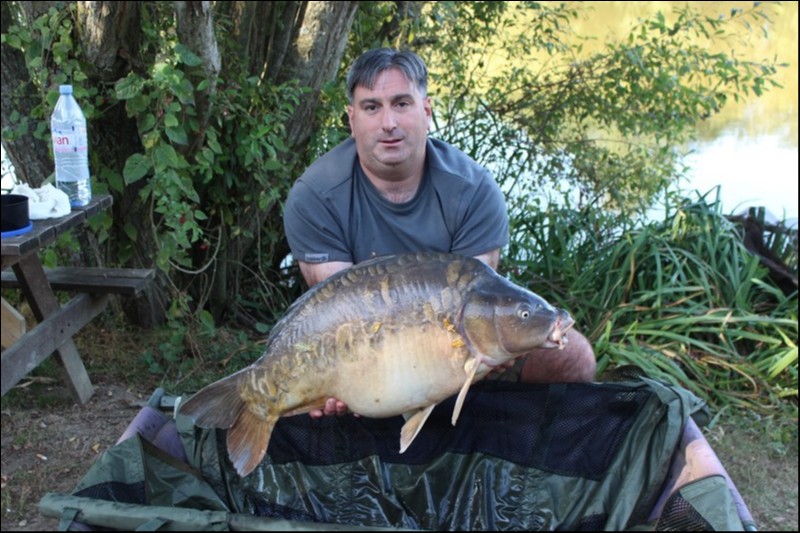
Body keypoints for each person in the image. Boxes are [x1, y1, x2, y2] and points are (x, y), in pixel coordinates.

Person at [283, 48, 596, 417]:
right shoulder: (315, 195)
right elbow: (342, 320)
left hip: (456, 350)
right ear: (352, 119)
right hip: (368, 353)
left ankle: (515, 440)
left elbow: (478, 299)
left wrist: (491, 349)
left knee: (574, 357)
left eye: (401, 104)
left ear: (427, 110)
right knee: (317, 390)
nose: (388, 123)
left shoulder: (474, 190)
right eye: (372, 107)